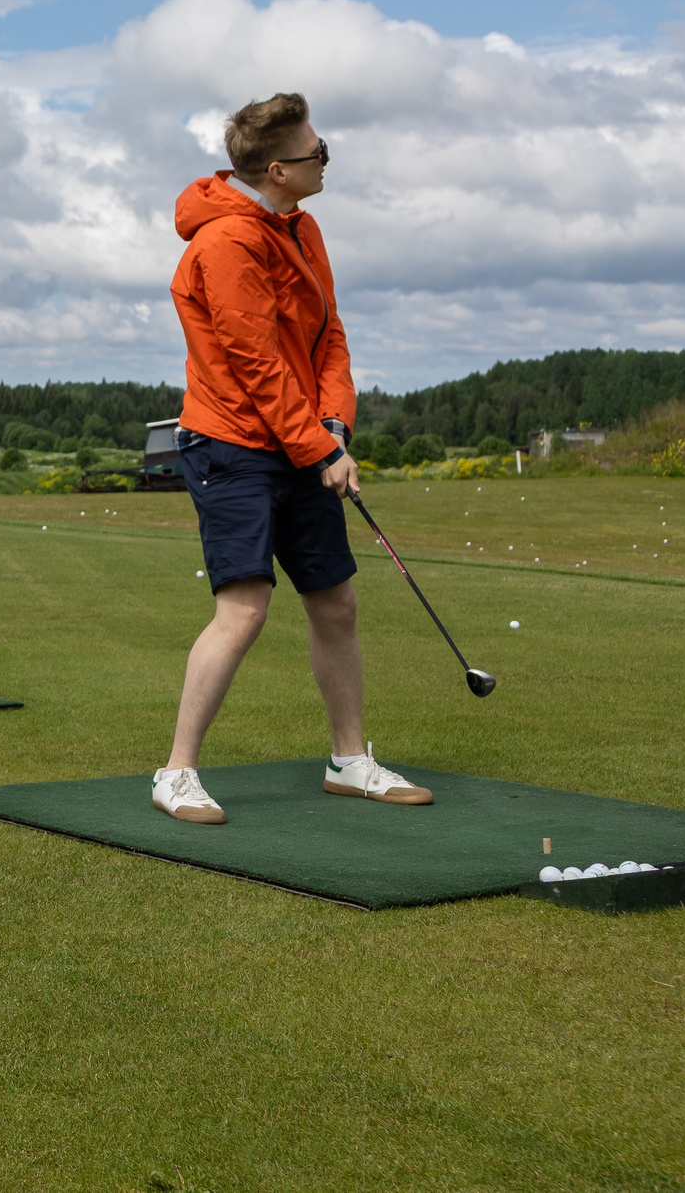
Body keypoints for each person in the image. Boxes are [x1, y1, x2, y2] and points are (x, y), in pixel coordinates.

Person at [152, 92, 430, 825]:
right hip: (232, 442)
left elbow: (327, 336)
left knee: (335, 599)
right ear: (277, 169)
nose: (326, 161)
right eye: (318, 154)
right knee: (244, 607)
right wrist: (318, 445)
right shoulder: (225, 243)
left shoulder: (302, 229)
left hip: (300, 435)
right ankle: (176, 772)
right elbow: (257, 362)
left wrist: (334, 424)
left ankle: (349, 759)